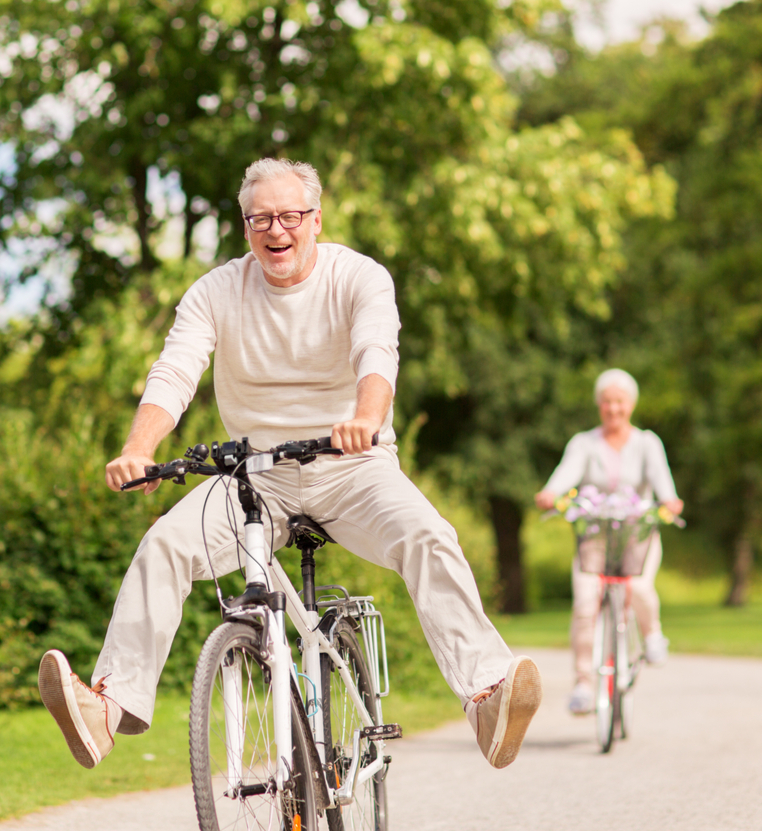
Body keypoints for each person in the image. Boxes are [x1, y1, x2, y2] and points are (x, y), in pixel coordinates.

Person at [37, 158, 542, 771]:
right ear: (245, 226)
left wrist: (365, 417)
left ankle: (487, 697)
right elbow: (175, 371)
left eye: (290, 216)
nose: (276, 230)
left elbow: (377, 352)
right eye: (260, 219)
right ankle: (107, 709)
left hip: (352, 465)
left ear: (315, 220)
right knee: (164, 545)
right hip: (255, 476)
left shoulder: (358, 277)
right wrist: (138, 448)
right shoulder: (216, 290)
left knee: (428, 535)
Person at [533, 368, 683, 716]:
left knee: (640, 587)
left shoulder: (648, 443)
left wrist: (670, 501)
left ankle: (652, 635)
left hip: (637, 535)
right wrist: (551, 493)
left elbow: (664, 485)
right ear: (599, 405)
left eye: (620, 402)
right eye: (606, 402)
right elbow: (565, 475)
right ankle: (583, 684)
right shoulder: (584, 443)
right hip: (595, 537)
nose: (613, 409)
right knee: (585, 604)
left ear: (630, 405)